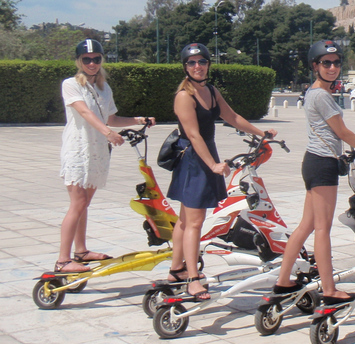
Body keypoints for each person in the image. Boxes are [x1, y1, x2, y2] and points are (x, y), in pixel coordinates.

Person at [272, 40, 355, 305]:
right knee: (322, 229)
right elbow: (342, 133)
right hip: (322, 164)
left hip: (313, 162)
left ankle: (283, 281)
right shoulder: (321, 95)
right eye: (326, 63)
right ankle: (329, 290)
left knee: (307, 226)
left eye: (336, 63)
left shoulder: (314, 92)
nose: (332, 67)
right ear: (315, 66)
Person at [167, 43, 277, 300]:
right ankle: (193, 279)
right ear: (185, 67)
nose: (197, 66)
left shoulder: (211, 91)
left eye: (202, 62)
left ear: (208, 64)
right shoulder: (184, 96)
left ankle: (176, 270)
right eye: (192, 63)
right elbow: (193, 135)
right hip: (194, 161)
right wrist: (213, 165)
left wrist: (263, 134)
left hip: (205, 156)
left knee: (185, 220)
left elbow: (232, 117)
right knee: (194, 222)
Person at [56, 39, 156, 273]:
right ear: (79, 61)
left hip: (98, 151)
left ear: (102, 60)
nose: (92, 63)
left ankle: (80, 251)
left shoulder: (104, 88)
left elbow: (110, 118)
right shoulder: (70, 84)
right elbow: (84, 111)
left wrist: (139, 120)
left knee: (84, 205)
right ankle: (62, 260)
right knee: (77, 204)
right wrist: (108, 133)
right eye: (86, 59)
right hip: (78, 150)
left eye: (96, 59)